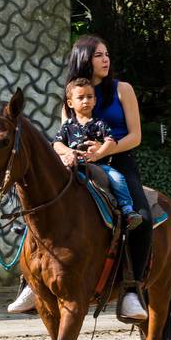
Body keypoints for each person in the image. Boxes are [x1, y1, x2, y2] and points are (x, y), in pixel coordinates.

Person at [9, 35, 150, 320]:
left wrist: (103, 151)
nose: (106, 59)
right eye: (99, 55)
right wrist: (67, 155)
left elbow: (135, 136)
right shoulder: (70, 96)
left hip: (117, 162)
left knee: (144, 219)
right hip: (78, 165)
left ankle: (131, 291)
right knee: (40, 207)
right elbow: (63, 136)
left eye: (107, 54)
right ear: (84, 59)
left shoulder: (123, 90)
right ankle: (29, 283)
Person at [53, 77, 143, 230]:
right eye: (80, 98)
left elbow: (110, 141)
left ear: (95, 101)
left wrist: (97, 154)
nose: (85, 101)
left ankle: (127, 209)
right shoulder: (67, 126)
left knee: (117, 177)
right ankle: (37, 219)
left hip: (98, 165)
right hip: (72, 165)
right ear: (70, 103)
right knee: (49, 179)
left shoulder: (99, 124)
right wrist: (71, 151)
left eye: (89, 97)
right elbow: (57, 144)